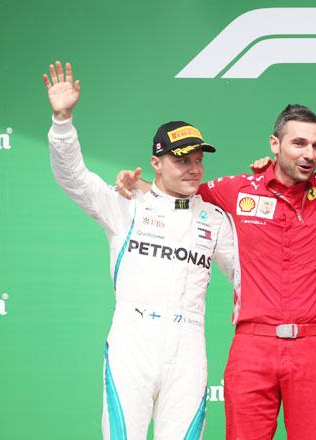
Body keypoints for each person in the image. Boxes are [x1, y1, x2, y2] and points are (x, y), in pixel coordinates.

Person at [117, 104, 316, 439]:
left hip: (313, 346)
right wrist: (139, 185)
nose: (310, 154)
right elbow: (181, 192)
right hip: (252, 345)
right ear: (275, 144)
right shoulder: (238, 189)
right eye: (298, 144)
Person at [44, 61, 235, 439]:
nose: (193, 169)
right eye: (181, 160)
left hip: (188, 347)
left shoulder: (214, 219)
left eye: (198, 160)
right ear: (156, 163)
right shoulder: (126, 204)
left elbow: (253, 272)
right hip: (133, 341)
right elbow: (74, 177)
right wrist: (62, 122)